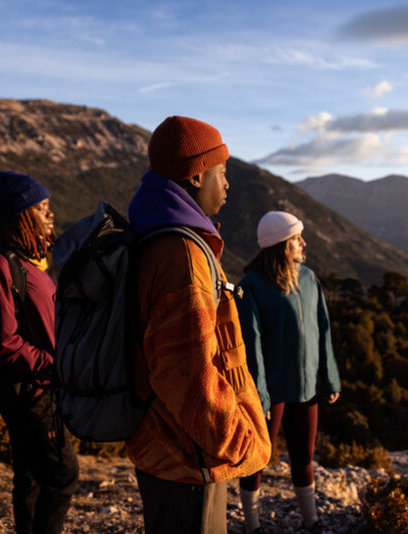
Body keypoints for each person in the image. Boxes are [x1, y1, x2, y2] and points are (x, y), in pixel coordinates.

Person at [126, 116, 271, 533]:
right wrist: (238, 443)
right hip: (189, 457)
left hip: (171, 446)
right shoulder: (181, 256)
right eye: (221, 172)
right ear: (195, 176)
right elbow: (187, 374)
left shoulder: (162, 239)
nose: (227, 184)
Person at [0, 171, 79, 534]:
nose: (51, 214)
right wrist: (53, 364)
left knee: (32, 476)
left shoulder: (28, 261)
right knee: (63, 475)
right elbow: (3, 342)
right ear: (21, 214)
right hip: (31, 390)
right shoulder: (0, 264)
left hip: (40, 385)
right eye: (42, 207)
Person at [237, 211, 341, 534]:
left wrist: (329, 378)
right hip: (271, 392)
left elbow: (323, 329)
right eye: (297, 238)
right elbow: (250, 345)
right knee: (257, 460)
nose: (303, 243)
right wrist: (260, 396)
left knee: (304, 456)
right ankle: (252, 525)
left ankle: (311, 522)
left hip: (307, 388)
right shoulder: (251, 286)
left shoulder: (309, 279)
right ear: (282, 244)